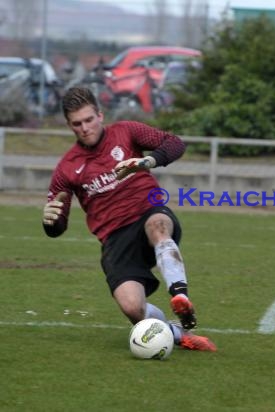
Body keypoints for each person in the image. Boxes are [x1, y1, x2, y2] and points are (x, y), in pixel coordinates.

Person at [42, 86, 216, 352]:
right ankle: (179, 335)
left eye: (89, 119)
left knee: (158, 227)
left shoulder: (126, 131)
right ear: (69, 125)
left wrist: (146, 162)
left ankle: (180, 295)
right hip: (114, 238)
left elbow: (175, 144)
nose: (85, 128)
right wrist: (50, 221)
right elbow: (57, 226)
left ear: (100, 115)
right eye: (77, 124)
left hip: (148, 212)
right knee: (132, 307)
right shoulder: (67, 167)